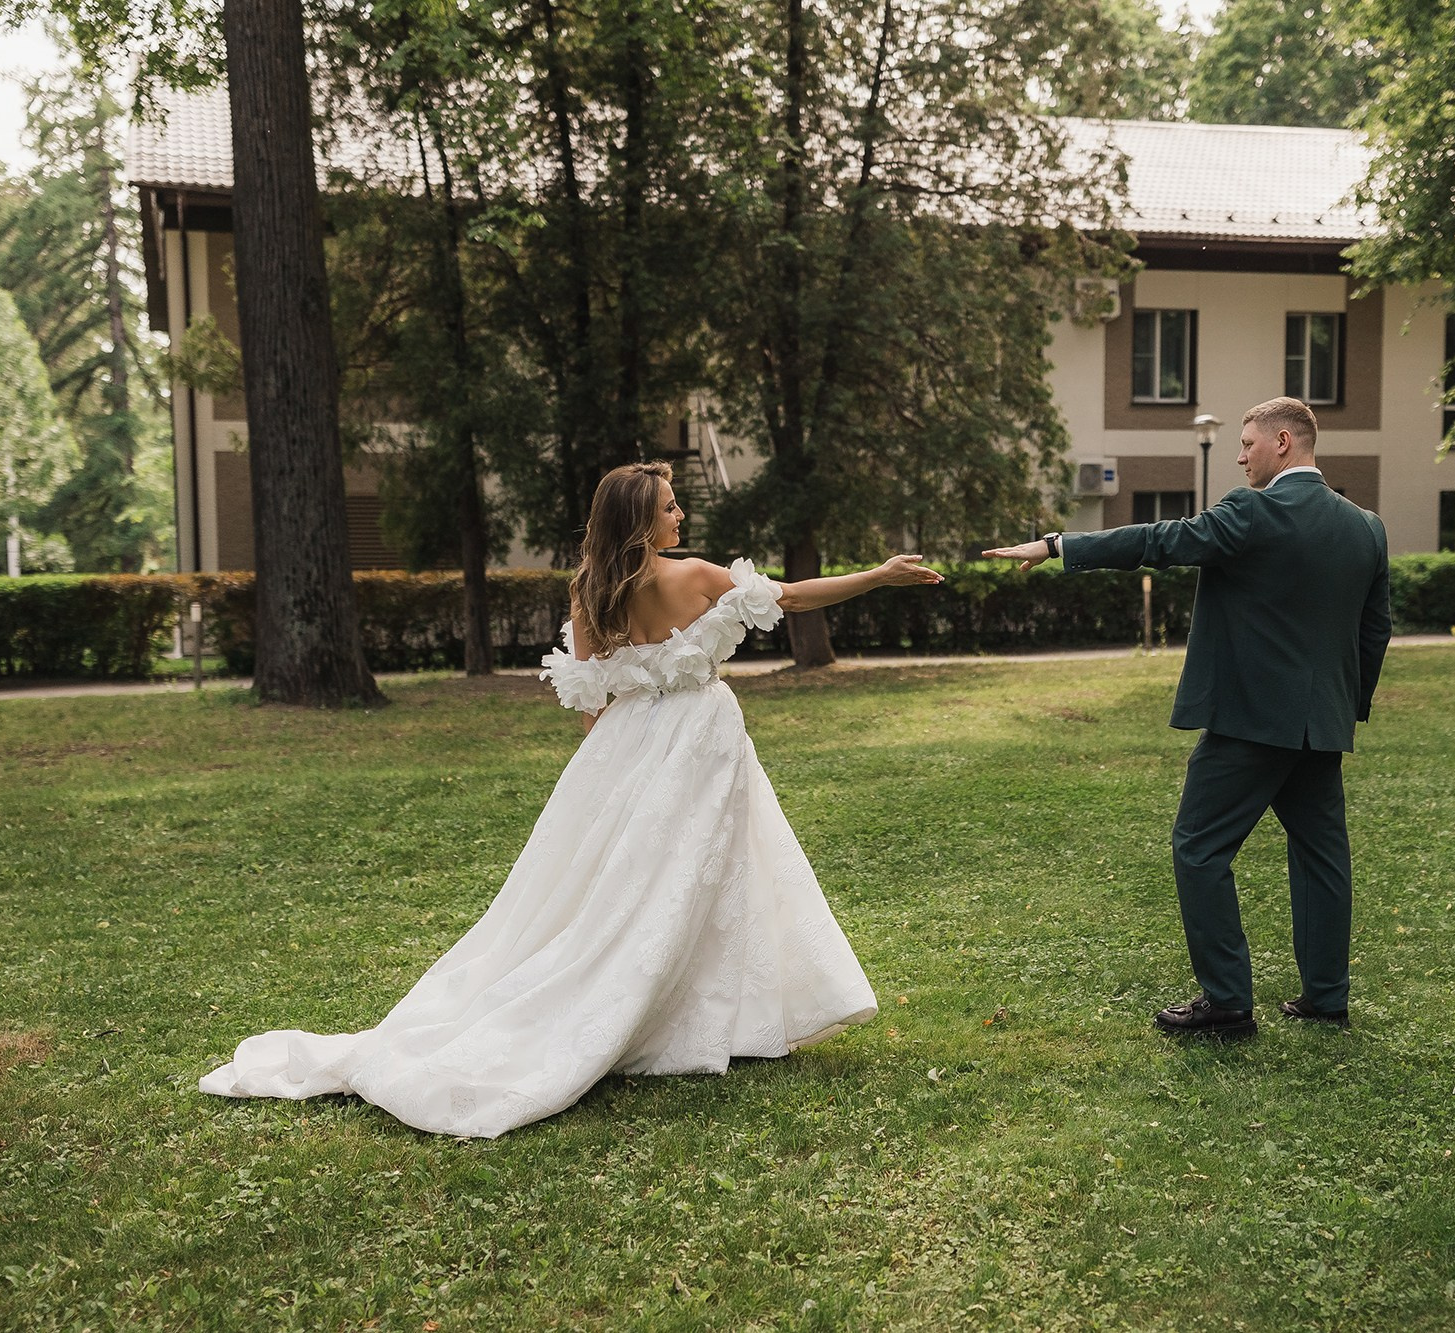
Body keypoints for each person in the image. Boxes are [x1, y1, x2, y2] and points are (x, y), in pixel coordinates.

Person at [200, 461, 943, 1137]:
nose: (680, 517)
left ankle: (704, 1008)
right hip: (701, 733)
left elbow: (592, 700)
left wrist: (613, 768)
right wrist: (878, 574)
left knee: (635, 874)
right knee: (703, 868)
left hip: (624, 741)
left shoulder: (589, 588)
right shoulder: (695, 576)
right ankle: (694, 1012)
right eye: (670, 507)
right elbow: (792, 595)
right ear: (643, 519)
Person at [986, 397, 1389, 1040]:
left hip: (1250, 723)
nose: (1239, 456)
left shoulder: (1253, 511)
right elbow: (1376, 629)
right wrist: (1343, 707)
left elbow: (1161, 540)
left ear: (1283, 442)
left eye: (1248, 444)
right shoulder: (1366, 527)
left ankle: (1228, 1003)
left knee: (1199, 848)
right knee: (1322, 856)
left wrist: (1060, 544)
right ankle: (1326, 998)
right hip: (1320, 725)